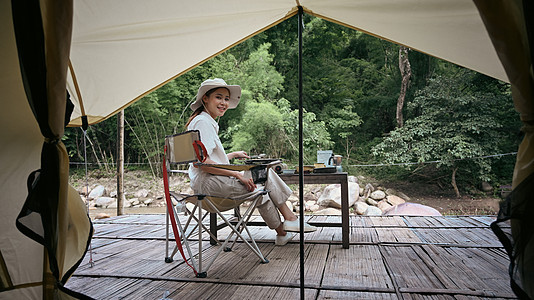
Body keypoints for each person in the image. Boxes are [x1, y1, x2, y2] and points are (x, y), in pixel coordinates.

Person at [186, 78, 316, 246]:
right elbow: (203, 163)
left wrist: (232, 154)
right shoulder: (203, 122)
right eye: (219, 97)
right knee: (263, 175)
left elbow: (208, 157)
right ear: (205, 98)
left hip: (210, 182)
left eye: (226, 99)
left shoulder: (205, 121)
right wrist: (237, 174)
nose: (224, 103)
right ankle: (290, 219)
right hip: (210, 185)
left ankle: (283, 232)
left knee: (261, 188)